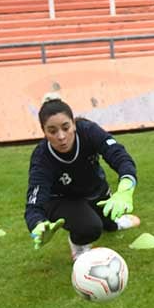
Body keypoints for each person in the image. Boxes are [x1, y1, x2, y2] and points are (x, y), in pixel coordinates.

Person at [24, 91, 142, 260]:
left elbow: (120, 157)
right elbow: (34, 204)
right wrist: (37, 224)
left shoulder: (88, 131)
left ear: (74, 124)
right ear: (43, 131)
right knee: (90, 228)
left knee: (109, 217)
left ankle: (112, 224)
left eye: (65, 127)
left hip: (95, 189)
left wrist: (125, 189)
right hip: (62, 200)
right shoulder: (42, 157)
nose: (61, 137)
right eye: (52, 131)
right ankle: (78, 244)